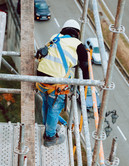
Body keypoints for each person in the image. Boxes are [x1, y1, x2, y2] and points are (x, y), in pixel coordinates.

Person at [36, 19, 89, 147]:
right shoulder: (78, 45)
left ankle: (48, 129)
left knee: (47, 105)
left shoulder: (54, 38)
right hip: (55, 83)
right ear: (77, 32)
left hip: (41, 79)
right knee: (54, 109)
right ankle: (50, 137)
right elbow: (85, 66)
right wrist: (86, 82)